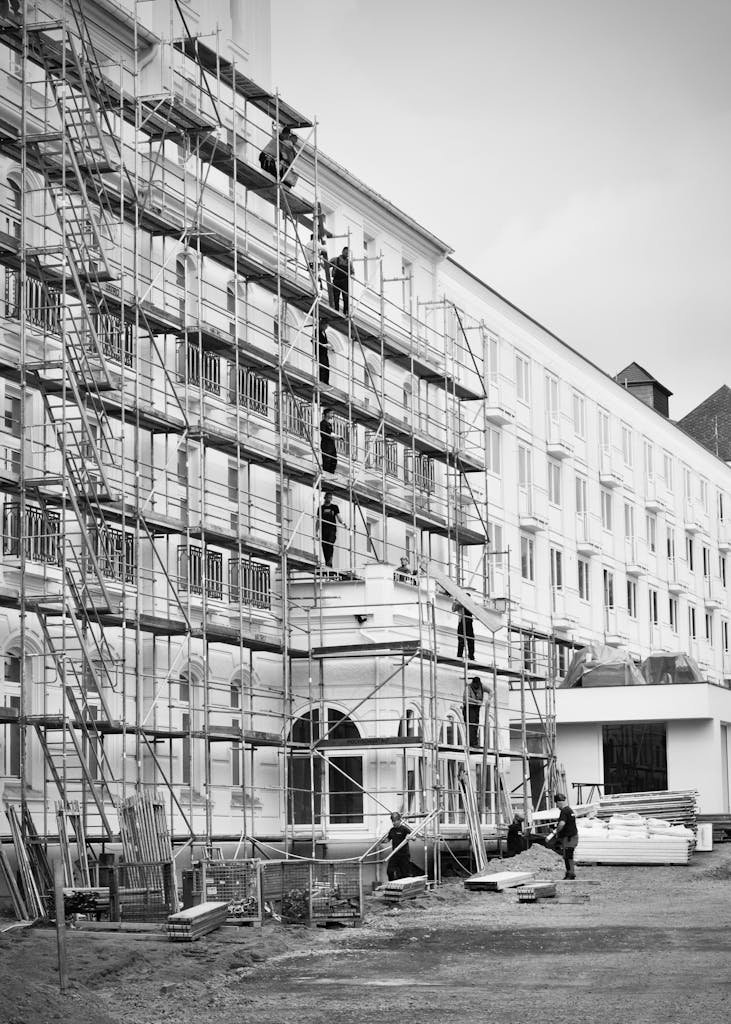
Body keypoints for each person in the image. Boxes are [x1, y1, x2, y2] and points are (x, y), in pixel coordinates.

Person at [549, 793, 579, 880]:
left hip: (569, 837)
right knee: (569, 855)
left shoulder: (564, 811)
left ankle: (570, 874)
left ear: (559, 802)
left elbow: (562, 823)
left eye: (557, 804)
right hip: (572, 836)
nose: (557, 806)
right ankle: (570, 873)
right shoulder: (570, 810)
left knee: (568, 855)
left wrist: (556, 832)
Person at [317, 491, 345, 569]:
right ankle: (327, 563)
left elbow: (338, 517)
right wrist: (316, 531)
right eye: (328, 497)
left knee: (330, 544)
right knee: (324, 545)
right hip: (323, 530)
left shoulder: (334, 507)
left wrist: (343, 523)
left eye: (330, 498)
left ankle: (330, 561)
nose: (329, 499)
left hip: (332, 529)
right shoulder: (321, 508)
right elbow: (318, 520)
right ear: (324, 498)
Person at [384, 811, 415, 881]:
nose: (394, 823)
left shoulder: (404, 829)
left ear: (399, 820)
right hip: (394, 854)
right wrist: (382, 841)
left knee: (404, 873)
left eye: (395, 821)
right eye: (393, 821)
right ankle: (392, 885)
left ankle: (404, 888)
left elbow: (414, 837)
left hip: (404, 855)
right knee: (390, 871)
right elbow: (388, 839)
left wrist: (410, 837)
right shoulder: (392, 830)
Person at [462, 675, 484, 747]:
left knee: (475, 725)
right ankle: (471, 743)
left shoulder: (481, 686)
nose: (477, 687)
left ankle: (474, 742)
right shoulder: (468, 687)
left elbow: (491, 691)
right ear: (473, 683)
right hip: (469, 708)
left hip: (476, 708)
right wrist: (476, 701)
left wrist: (489, 699)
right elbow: (466, 698)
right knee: (471, 725)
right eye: (476, 685)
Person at [330, 246, 353, 315]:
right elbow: (327, 265)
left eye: (348, 254)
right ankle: (336, 310)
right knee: (336, 296)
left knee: (346, 297)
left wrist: (350, 273)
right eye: (346, 253)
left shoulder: (349, 263)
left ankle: (345, 311)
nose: (346, 255)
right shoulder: (335, 259)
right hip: (337, 280)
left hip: (345, 281)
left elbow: (352, 272)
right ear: (342, 252)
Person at [320, 408, 338, 474]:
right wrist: (331, 436)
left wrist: (336, 437)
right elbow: (323, 434)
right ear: (327, 414)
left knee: (334, 460)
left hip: (331, 445)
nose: (332, 415)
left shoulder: (329, 424)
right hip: (326, 445)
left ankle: (331, 473)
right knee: (327, 460)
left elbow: (330, 433)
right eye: (331, 413)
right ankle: (326, 473)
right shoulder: (323, 423)